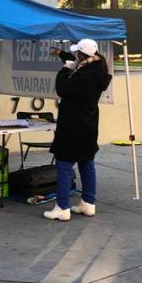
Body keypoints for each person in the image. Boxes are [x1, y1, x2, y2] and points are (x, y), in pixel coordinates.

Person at [43, 38, 112, 221]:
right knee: (86, 163)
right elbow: (76, 61)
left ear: (82, 55)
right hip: (88, 125)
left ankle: (62, 207)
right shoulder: (98, 69)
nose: (75, 57)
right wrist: (62, 54)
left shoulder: (83, 75)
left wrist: (65, 69)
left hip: (73, 125)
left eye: (77, 54)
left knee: (64, 165)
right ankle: (88, 204)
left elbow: (62, 89)